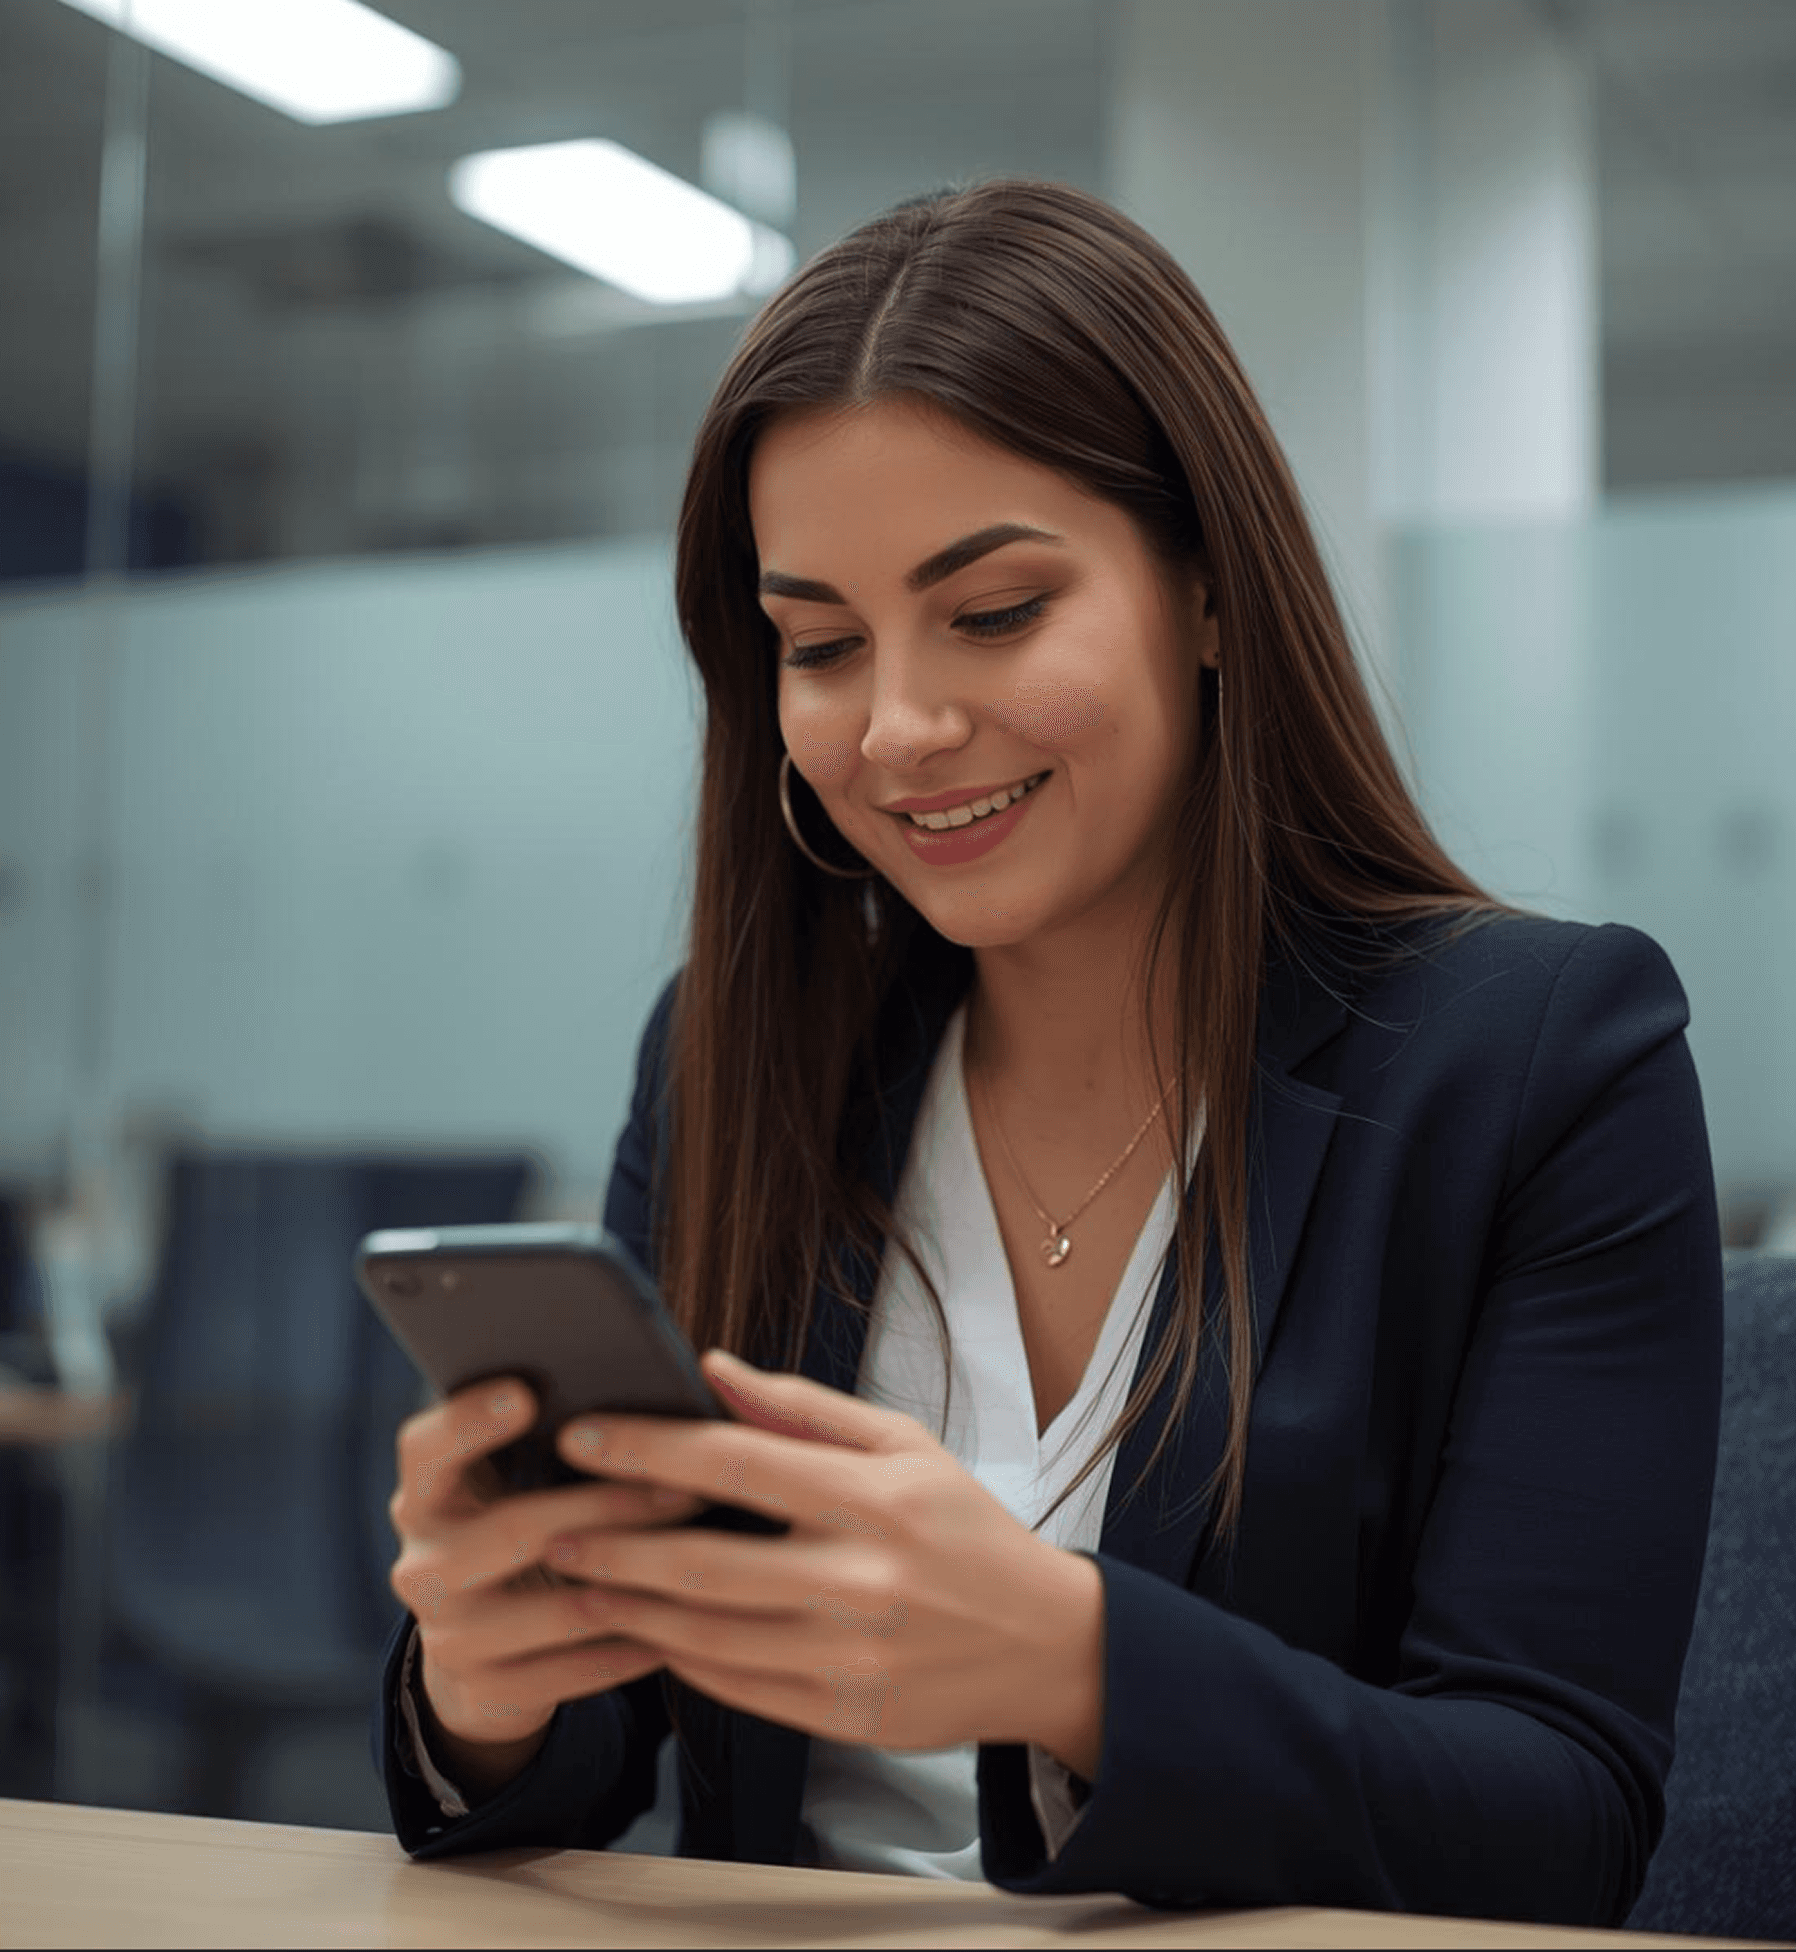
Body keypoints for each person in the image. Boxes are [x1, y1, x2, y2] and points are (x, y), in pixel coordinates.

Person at [373, 180, 1722, 1925]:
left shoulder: (1546, 1063)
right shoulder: (739, 1055)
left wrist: (1068, 1662)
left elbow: (1558, 1823)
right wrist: (491, 1682)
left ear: (1212, 591)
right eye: (822, 646)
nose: (900, 727)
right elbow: (595, 1756)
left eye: (994, 612)